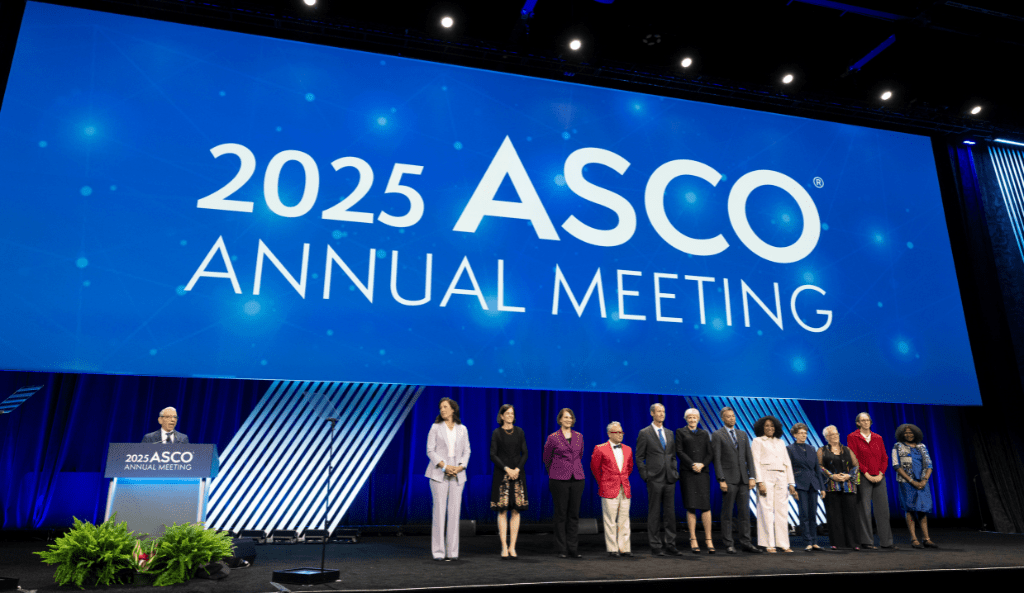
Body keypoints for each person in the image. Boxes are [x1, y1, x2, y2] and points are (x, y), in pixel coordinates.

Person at [711, 406, 762, 554]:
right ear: (722, 418)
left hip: (743, 480)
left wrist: (752, 476)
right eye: (728, 416)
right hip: (728, 480)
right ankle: (728, 543)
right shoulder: (717, 435)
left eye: (733, 416)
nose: (732, 418)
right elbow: (717, 459)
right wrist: (721, 479)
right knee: (727, 514)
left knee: (744, 513)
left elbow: (749, 457)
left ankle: (746, 543)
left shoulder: (742, 434)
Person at [425, 397, 470, 561]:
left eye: (445, 407)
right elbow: (430, 451)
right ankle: (438, 552)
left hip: (458, 474)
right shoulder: (435, 427)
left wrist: (459, 467)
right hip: (439, 473)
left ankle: (452, 552)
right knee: (439, 512)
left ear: (453, 409)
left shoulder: (462, 429)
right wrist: (445, 466)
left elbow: (467, 451)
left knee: (454, 513)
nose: (442, 410)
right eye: (440, 407)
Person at [636, 403, 680, 556]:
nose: (662, 414)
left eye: (663, 411)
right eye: (659, 411)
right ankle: (655, 545)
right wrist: (645, 475)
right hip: (654, 478)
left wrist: (674, 470)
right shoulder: (644, 433)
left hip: (669, 478)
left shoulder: (669, 433)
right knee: (654, 513)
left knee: (670, 513)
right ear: (652, 413)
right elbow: (639, 457)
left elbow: (672, 455)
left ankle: (670, 544)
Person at [846, 412, 895, 550]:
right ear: (858, 423)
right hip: (863, 476)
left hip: (879, 476)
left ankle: (887, 542)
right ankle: (866, 541)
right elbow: (854, 457)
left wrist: (881, 473)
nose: (866, 422)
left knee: (883, 510)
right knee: (864, 510)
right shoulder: (852, 436)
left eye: (868, 420)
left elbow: (884, 458)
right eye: (863, 420)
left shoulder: (878, 437)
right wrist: (866, 473)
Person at [543, 407, 586, 558]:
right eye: (565, 417)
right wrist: (555, 472)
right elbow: (546, 458)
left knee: (574, 515)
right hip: (558, 480)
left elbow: (579, 455)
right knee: (561, 515)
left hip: (577, 479)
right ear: (560, 419)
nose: (568, 420)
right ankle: (562, 549)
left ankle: (573, 548)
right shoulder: (553, 437)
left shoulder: (579, 436)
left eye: (570, 417)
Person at [751, 416, 797, 553]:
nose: (770, 428)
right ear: (761, 428)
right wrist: (759, 482)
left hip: (781, 476)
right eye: (767, 426)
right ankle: (768, 543)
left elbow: (787, 462)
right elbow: (755, 462)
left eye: (772, 426)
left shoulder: (781, 442)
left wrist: (791, 482)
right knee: (766, 510)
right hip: (766, 476)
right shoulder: (757, 441)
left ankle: (783, 543)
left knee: (782, 510)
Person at [590, 421, 634, 557]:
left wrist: (623, 480)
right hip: (608, 488)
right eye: (617, 432)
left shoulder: (628, 449)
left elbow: (629, 468)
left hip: (624, 488)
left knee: (624, 519)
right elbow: (595, 468)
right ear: (609, 434)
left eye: (621, 432)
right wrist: (603, 482)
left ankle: (624, 548)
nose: (620, 435)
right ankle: (612, 548)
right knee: (610, 520)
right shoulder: (600, 448)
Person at [490, 404, 528, 558]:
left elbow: (525, 453)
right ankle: (504, 547)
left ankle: (513, 546)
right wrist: (507, 469)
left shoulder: (519, 432)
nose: (510, 415)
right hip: (502, 474)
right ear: (501, 416)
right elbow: (493, 455)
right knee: (502, 510)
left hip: (518, 474)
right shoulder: (496, 433)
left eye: (512, 413)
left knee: (515, 510)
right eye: (507, 413)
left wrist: (517, 469)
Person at [675, 408, 714, 554]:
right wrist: (692, 464)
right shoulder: (680, 432)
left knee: (705, 506)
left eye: (694, 417)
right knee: (691, 506)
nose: (692, 420)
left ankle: (708, 539)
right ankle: (693, 538)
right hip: (688, 473)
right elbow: (679, 451)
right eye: (689, 417)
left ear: (698, 419)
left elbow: (710, 453)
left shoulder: (704, 433)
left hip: (703, 472)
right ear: (686, 419)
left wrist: (702, 464)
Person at [893, 423, 936, 549]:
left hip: (922, 482)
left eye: (911, 433)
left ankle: (926, 539)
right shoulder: (898, 446)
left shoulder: (922, 447)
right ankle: (914, 539)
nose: (908, 435)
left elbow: (929, 465)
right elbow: (896, 466)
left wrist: (924, 480)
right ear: (902, 434)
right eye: (906, 433)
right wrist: (912, 481)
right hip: (907, 482)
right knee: (910, 509)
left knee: (923, 510)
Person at [817, 425, 860, 550]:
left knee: (851, 514)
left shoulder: (847, 449)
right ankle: (837, 542)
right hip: (831, 486)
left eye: (836, 434)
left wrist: (848, 475)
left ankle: (853, 543)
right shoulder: (822, 450)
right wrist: (832, 476)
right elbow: (819, 466)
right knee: (834, 515)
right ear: (826, 437)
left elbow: (856, 466)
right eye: (831, 435)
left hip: (848, 486)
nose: (835, 436)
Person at [787, 422, 826, 551]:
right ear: (794, 435)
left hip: (813, 485)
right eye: (801, 433)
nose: (804, 435)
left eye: (805, 433)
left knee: (813, 514)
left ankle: (814, 541)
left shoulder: (811, 448)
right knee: (804, 514)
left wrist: (822, 488)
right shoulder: (790, 449)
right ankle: (808, 541)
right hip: (800, 484)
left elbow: (817, 469)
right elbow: (789, 469)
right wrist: (791, 486)